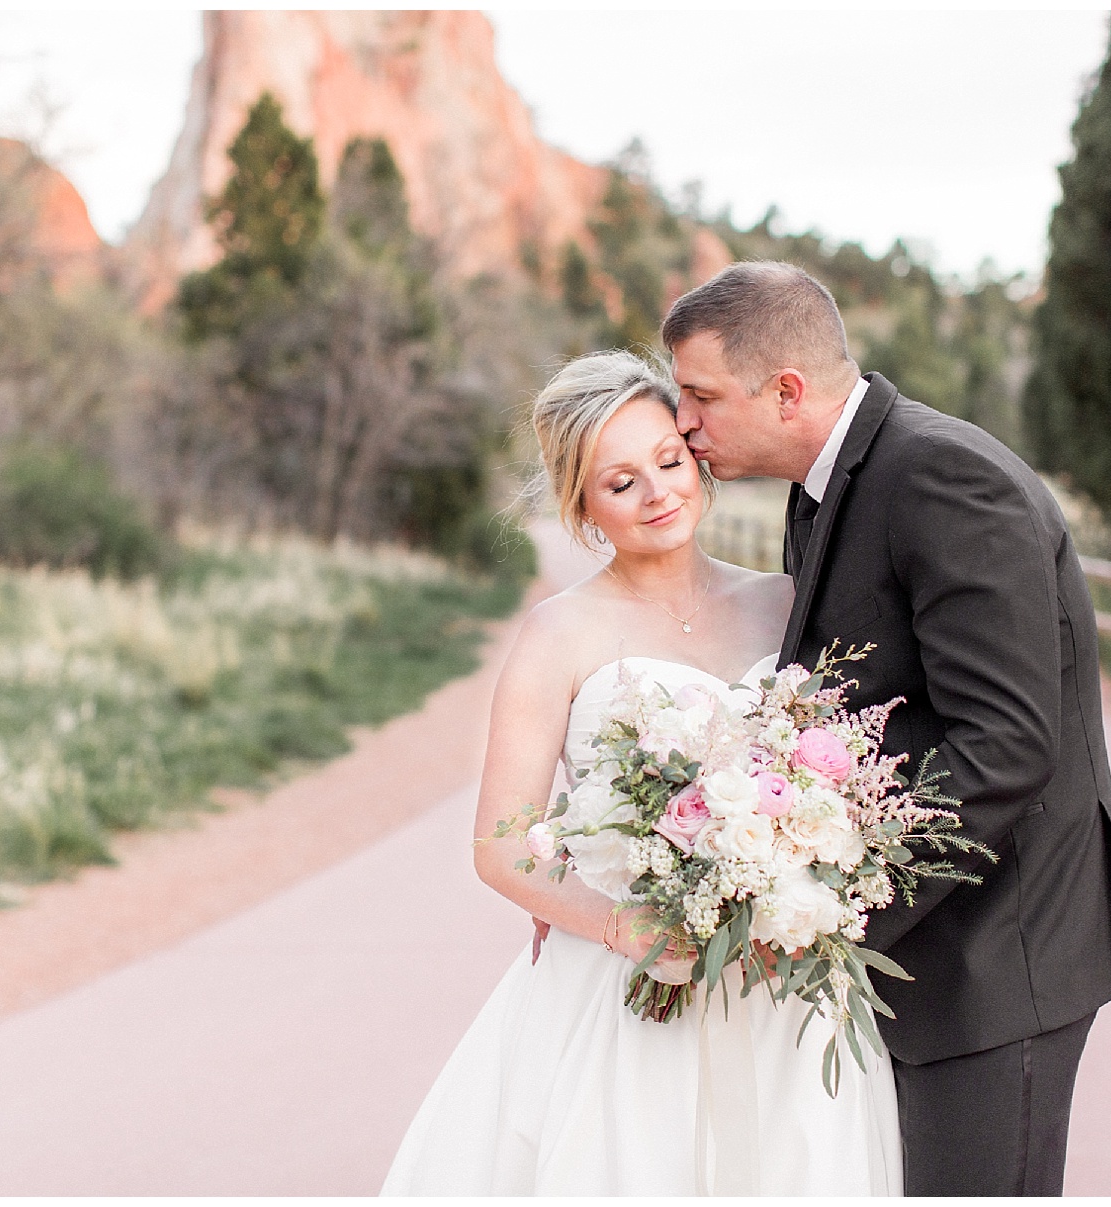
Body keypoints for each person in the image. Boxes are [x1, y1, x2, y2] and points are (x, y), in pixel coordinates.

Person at [663, 261, 1111, 1197]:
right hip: (931, 952)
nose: (683, 424)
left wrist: (838, 911)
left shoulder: (942, 476)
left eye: (698, 397)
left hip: (1001, 948)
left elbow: (1008, 742)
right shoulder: (829, 485)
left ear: (786, 390)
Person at [380, 351, 901, 1195]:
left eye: (669, 462)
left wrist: (805, 869)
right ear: (582, 505)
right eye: (621, 482)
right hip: (632, 981)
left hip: (784, 980)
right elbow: (500, 844)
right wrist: (630, 926)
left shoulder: (786, 600)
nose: (659, 493)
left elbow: (838, 773)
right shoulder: (558, 634)